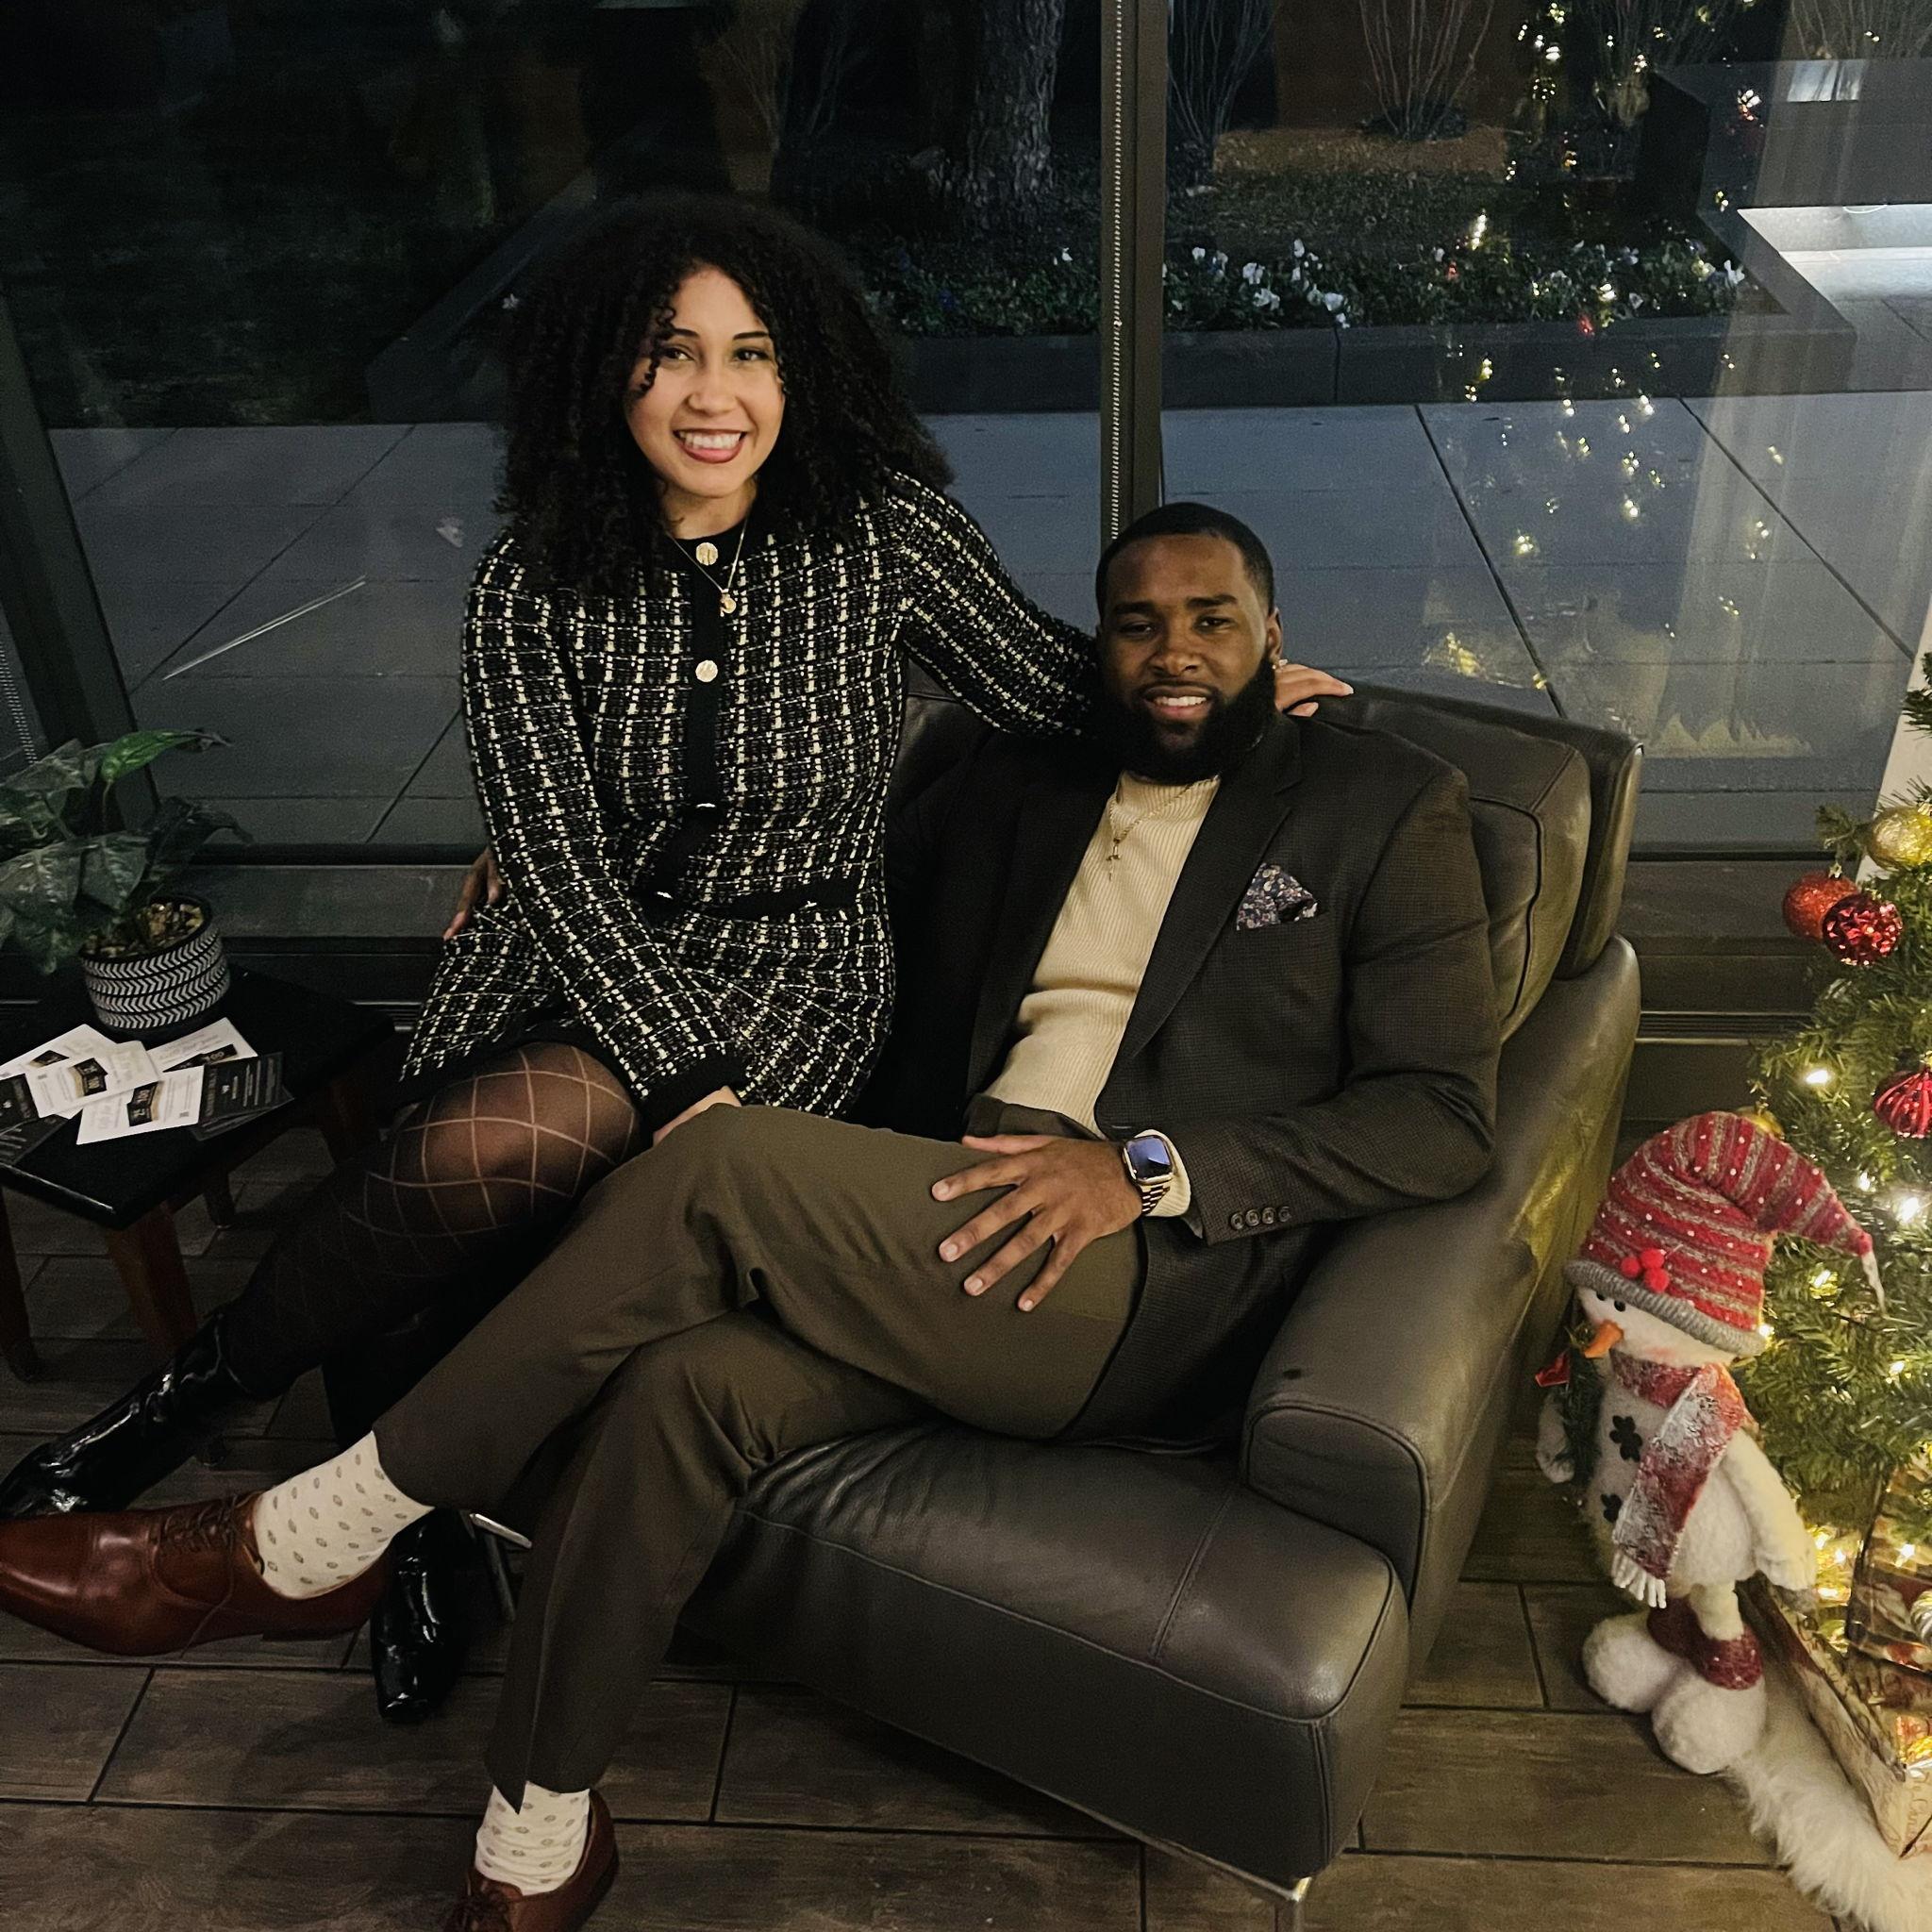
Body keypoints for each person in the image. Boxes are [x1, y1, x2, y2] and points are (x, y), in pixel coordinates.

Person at [0, 503, 1500, 1932]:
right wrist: (555, 863)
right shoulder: (1025, 778)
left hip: (1134, 1272)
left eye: (1214, 621)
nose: (1175, 653)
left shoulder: (1383, 803)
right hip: (937, 1219)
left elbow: (1439, 1116)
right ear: (1090, 646)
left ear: (1273, 632)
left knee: (716, 1169)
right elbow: (787, 862)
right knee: (679, 1393)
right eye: (1137, 625)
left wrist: (1143, 1169)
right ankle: (539, 1835)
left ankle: (309, 1537)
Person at [0, 198, 1348, 1722]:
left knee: (503, 1152)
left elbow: (1054, 684)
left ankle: (237, 1455)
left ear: (802, 369)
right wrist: (668, 1061)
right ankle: (348, 1498)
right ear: (605, 372)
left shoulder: (880, 531)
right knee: (458, 1170)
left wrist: (1227, 681)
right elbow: (554, 856)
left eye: (752, 353)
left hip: (797, 975)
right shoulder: (531, 580)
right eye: (673, 353)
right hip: (566, 945)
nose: (718, 395)